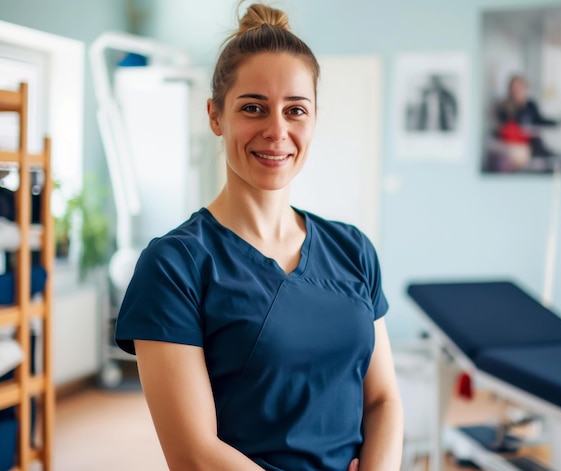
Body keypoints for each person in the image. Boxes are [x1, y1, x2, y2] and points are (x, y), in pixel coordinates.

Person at [114, 3, 404, 471]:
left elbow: (384, 400)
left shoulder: (353, 250)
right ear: (215, 116)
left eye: (296, 110)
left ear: (313, 120)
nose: (277, 131)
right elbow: (194, 455)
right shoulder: (174, 266)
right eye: (253, 108)